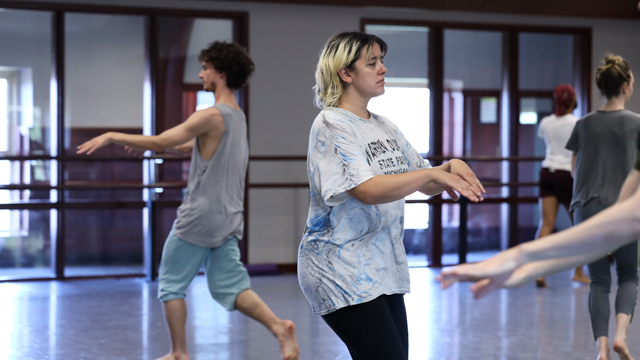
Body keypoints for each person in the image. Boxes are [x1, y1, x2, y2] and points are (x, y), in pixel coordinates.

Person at [77, 42, 299, 360]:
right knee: (229, 285)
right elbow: (192, 147)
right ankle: (280, 328)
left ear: (220, 73)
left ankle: (179, 352)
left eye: (206, 68)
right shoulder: (237, 117)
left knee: (170, 283)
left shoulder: (209, 115)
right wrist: (159, 147)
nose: (201, 74)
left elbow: (161, 140)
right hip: (229, 216)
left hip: (200, 216)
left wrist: (113, 136)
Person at [297, 31, 485, 360]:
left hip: (382, 270)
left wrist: (447, 168)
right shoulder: (331, 123)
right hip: (340, 271)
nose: (383, 68)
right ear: (346, 73)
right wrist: (430, 173)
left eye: (382, 61)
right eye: (372, 63)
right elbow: (366, 190)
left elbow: (424, 182)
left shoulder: (384, 126)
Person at [439, 54, 640, 360]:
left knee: (592, 270)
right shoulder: (624, 128)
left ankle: (601, 348)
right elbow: (624, 208)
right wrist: (514, 265)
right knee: (624, 274)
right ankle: (619, 335)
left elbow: (604, 217)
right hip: (598, 199)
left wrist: (515, 265)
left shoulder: (576, 123)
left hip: (573, 190)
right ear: (627, 86)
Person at [534, 84, 588, 287]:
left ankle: (539, 272)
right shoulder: (578, 123)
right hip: (567, 174)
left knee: (546, 224)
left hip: (547, 172)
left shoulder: (546, 123)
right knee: (580, 226)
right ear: (573, 101)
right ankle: (578, 272)